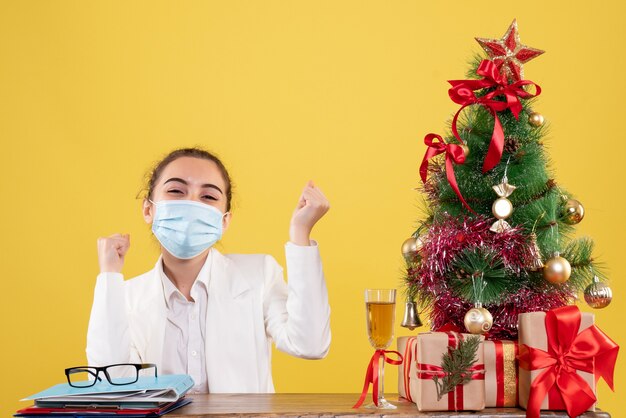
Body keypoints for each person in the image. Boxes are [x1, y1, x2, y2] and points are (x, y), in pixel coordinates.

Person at [86, 147, 331, 393]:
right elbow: (109, 383)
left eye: (209, 197)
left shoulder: (259, 276)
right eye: (176, 191)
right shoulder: (126, 296)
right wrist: (109, 276)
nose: (192, 203)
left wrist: (301, 233)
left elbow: (309, 344)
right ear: (148, 210)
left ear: (224, 220)